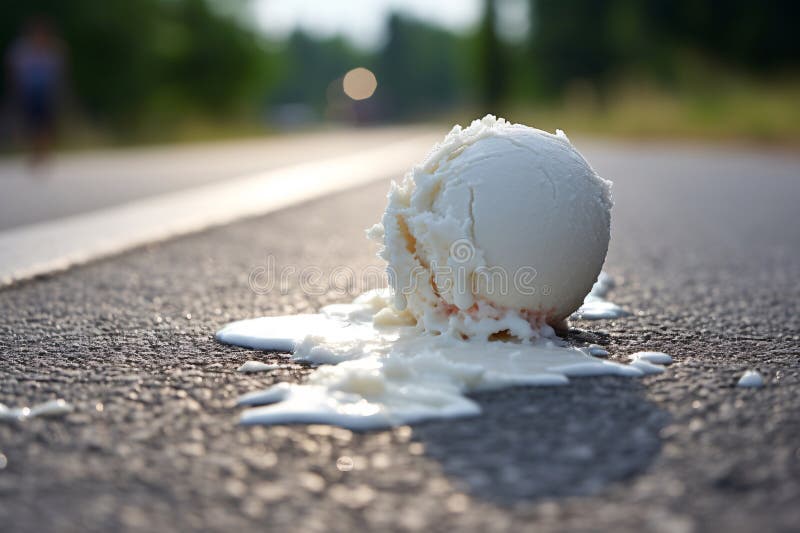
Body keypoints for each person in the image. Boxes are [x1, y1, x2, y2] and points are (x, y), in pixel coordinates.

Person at [5, 17, 65, 165]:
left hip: (46, 92)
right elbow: (14, 72)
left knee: (45, 123)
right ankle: (34, 152)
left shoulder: (54, 48)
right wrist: (14, 91)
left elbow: (59, 73)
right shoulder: (21, 50)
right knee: (31, 124)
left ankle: (44, 153)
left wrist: (61, 91)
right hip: (28, 92)